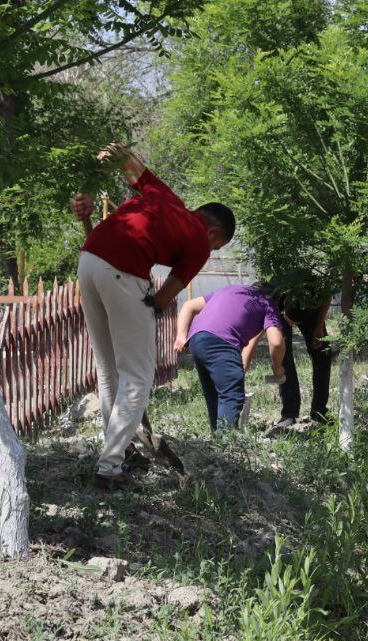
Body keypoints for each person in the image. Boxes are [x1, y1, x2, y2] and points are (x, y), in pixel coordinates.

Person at [70, 143, 236, 488]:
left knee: (108, 369)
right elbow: (169, 290)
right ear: (215, 232)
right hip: (123, 272)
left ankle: (122, 449)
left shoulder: (166, 196)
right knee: (140, 375)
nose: (212, 251)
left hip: (88, 261)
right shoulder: (201, 241)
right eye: (217, 247)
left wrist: (111, 154)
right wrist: (154, 306)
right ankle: (110, 467)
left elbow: (129, 163)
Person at [174, 284, 287, 431]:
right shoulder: (267, 304)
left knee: (214, 393)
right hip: (222, 342)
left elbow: (189, 305)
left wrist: (181, 336)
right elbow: (277, 342)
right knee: (231, 396)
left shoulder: (231, 289)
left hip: (196, 339)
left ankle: (216, 440)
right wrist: (278, 367)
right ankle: (225, 444)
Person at [275, 296, 333, 428]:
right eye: (291, 322)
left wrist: (319, 326)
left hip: (308, 304)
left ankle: (319, 411)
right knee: (283, 355)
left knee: (323, 353)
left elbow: (327, 296)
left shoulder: (316, 290)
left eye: (294, 322)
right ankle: (289, 413)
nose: (293, 326)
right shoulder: (274, 301)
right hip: (280, 302)